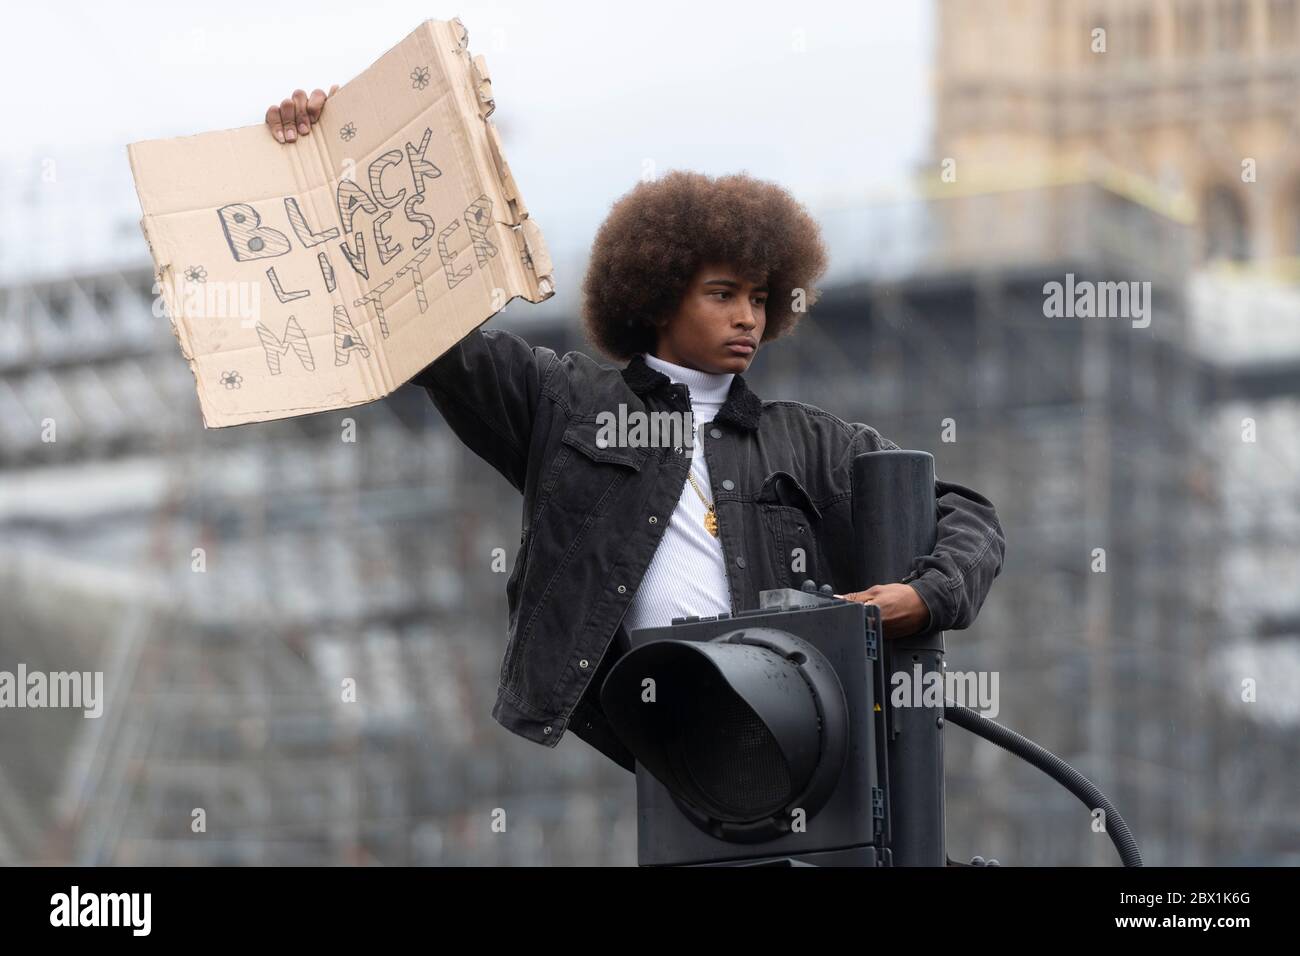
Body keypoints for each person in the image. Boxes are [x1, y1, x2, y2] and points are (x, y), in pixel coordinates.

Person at [264, 89, 1006, 772]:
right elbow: (433, 334)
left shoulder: (809, 441)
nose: (747, 316)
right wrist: (332, 169)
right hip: (663, 738)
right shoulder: (565, 404)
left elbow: (968, 514)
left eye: (758, 296)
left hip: (799, 744)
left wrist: (925, 597)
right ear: (656, 296)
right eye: (722, 294)